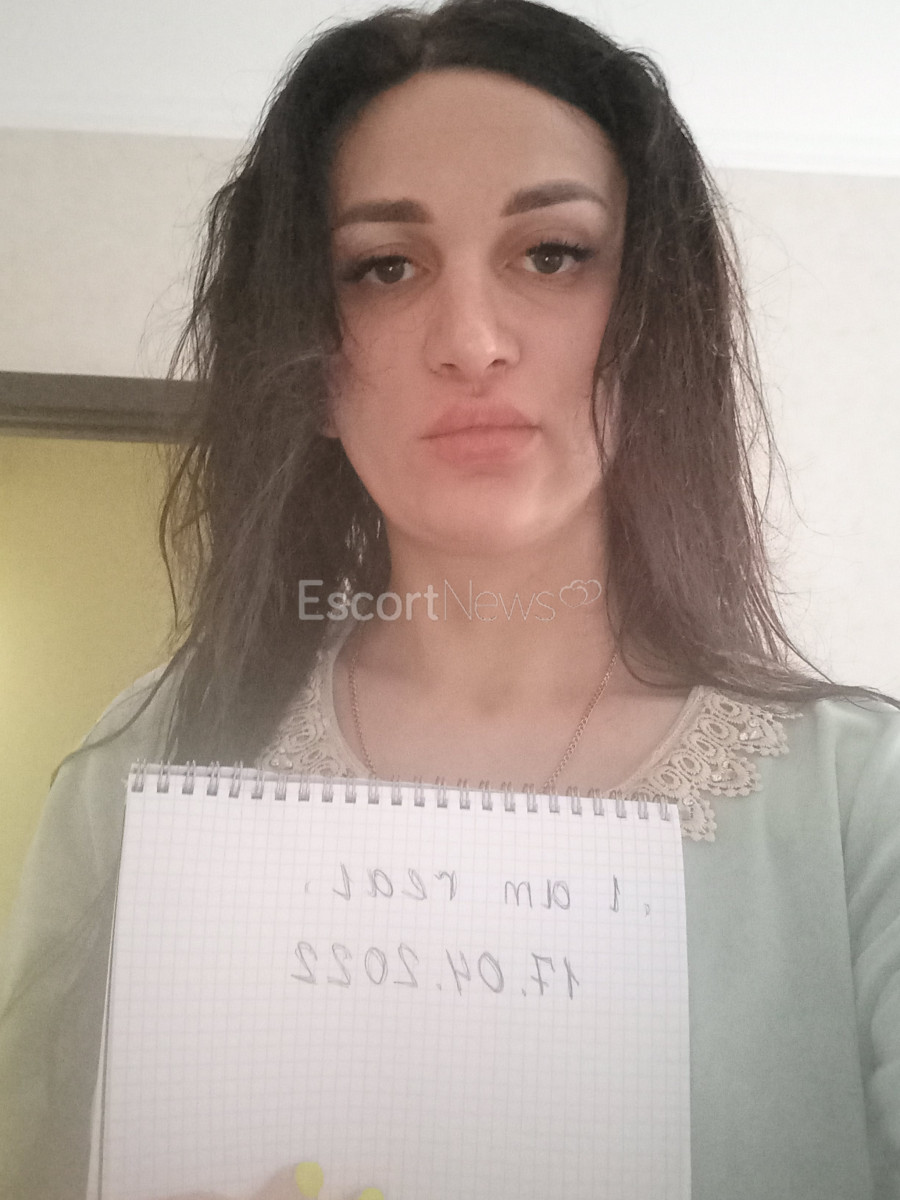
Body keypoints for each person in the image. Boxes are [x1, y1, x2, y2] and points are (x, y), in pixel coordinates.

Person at [2, 0, 899, 1196]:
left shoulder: (861, 805)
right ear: (312, 365)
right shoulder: (142, 765)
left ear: (653, 323)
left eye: (552, 253)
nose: (471, 339)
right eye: (384, 267)